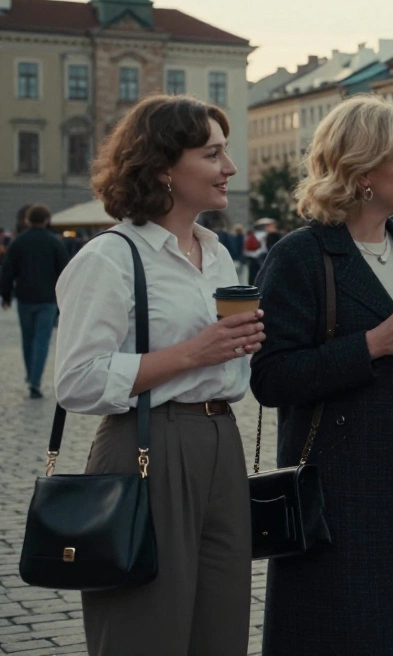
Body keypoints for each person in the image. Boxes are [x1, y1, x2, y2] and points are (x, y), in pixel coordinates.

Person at [250, 95, 393, 655]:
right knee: (342, 622)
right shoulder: (301, 255)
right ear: (365, 171)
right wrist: (371, 345)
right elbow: (270, 377)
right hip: (341, 473)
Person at [53, 95, 261, 655]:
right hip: (147, 444)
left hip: (222, 440)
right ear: (164, 166)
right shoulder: (110, 258)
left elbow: (223, 362)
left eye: (226, 152)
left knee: (221, 626)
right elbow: (75, 380)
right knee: (145, 630)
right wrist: (194, 353)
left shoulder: (217, 253)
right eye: (213, 153)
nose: (230, 168)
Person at [1, 204, 70, 398]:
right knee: (42, 340)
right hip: (48, 299)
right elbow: (65, 272)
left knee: (28, 339)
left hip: (25, 298)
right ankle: (35, 380)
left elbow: (7, 271)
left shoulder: (18, 242)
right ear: (47, 220)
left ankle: (31, 374)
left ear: (27, 220)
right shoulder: (55, 242)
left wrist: (5, 296)